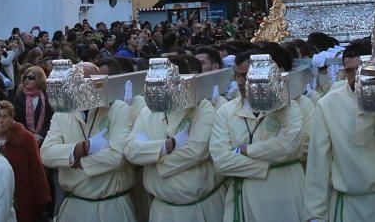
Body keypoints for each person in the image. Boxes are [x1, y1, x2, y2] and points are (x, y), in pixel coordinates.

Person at [304, 44, 375, 222]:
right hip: (349, 206)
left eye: (363, 70)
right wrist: (315, 215)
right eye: (351, 71)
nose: (357, 76)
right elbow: (318, 163)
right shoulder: (328, 105)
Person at [211, 51, 307, 222]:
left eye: (247, 76)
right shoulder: (225, 111)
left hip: (284, 193)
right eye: (238, 76)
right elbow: (220, 161)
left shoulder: (289, 107)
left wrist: (245, 150)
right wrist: (266, 165)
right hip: (245, 195)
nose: (240, 82)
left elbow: (289, 146)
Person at [124, 64, 224, 221]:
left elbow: (196, 151)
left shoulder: (203, 107)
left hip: (201, 207)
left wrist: (152, 160)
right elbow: (130, 150)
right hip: (162, 209)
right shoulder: (148, 112)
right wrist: (168, 145)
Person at [40, 61, 137, 222]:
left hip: (112, 206)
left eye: (94, 82)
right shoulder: (62, 112)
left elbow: (118, 156)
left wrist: (74, 162)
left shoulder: (118, 108)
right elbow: (46, 154)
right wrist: (81, 148)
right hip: (75, 206)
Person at [0, 100, 51, 222]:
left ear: (12, 117)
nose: (1, 120)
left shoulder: (25, 138)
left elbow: (37, 168)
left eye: (4, 116)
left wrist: (42, 199)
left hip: (23, 195)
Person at [13, 66, 51, 144]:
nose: (27, 80)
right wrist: (30, 136)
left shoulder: (48, 97)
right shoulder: (19, 97)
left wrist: (40, 136)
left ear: (39, 79)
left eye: (31, 77)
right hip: (24, 139)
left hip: (44, 139)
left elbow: (51, 120)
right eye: (25, 77)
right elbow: (17, 120)